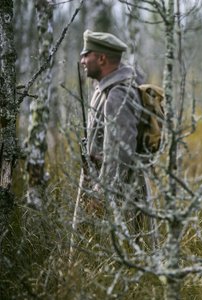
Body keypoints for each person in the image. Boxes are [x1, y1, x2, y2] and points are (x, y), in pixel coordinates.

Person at [77, 29, 151, 243]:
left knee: (122, 256)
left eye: (86, 54)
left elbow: (119, 154)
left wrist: (102, 195)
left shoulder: (118, 94)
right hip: (101, 183)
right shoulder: (103, 89)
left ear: (101, 58)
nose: (82, 60)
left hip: (118, 192)